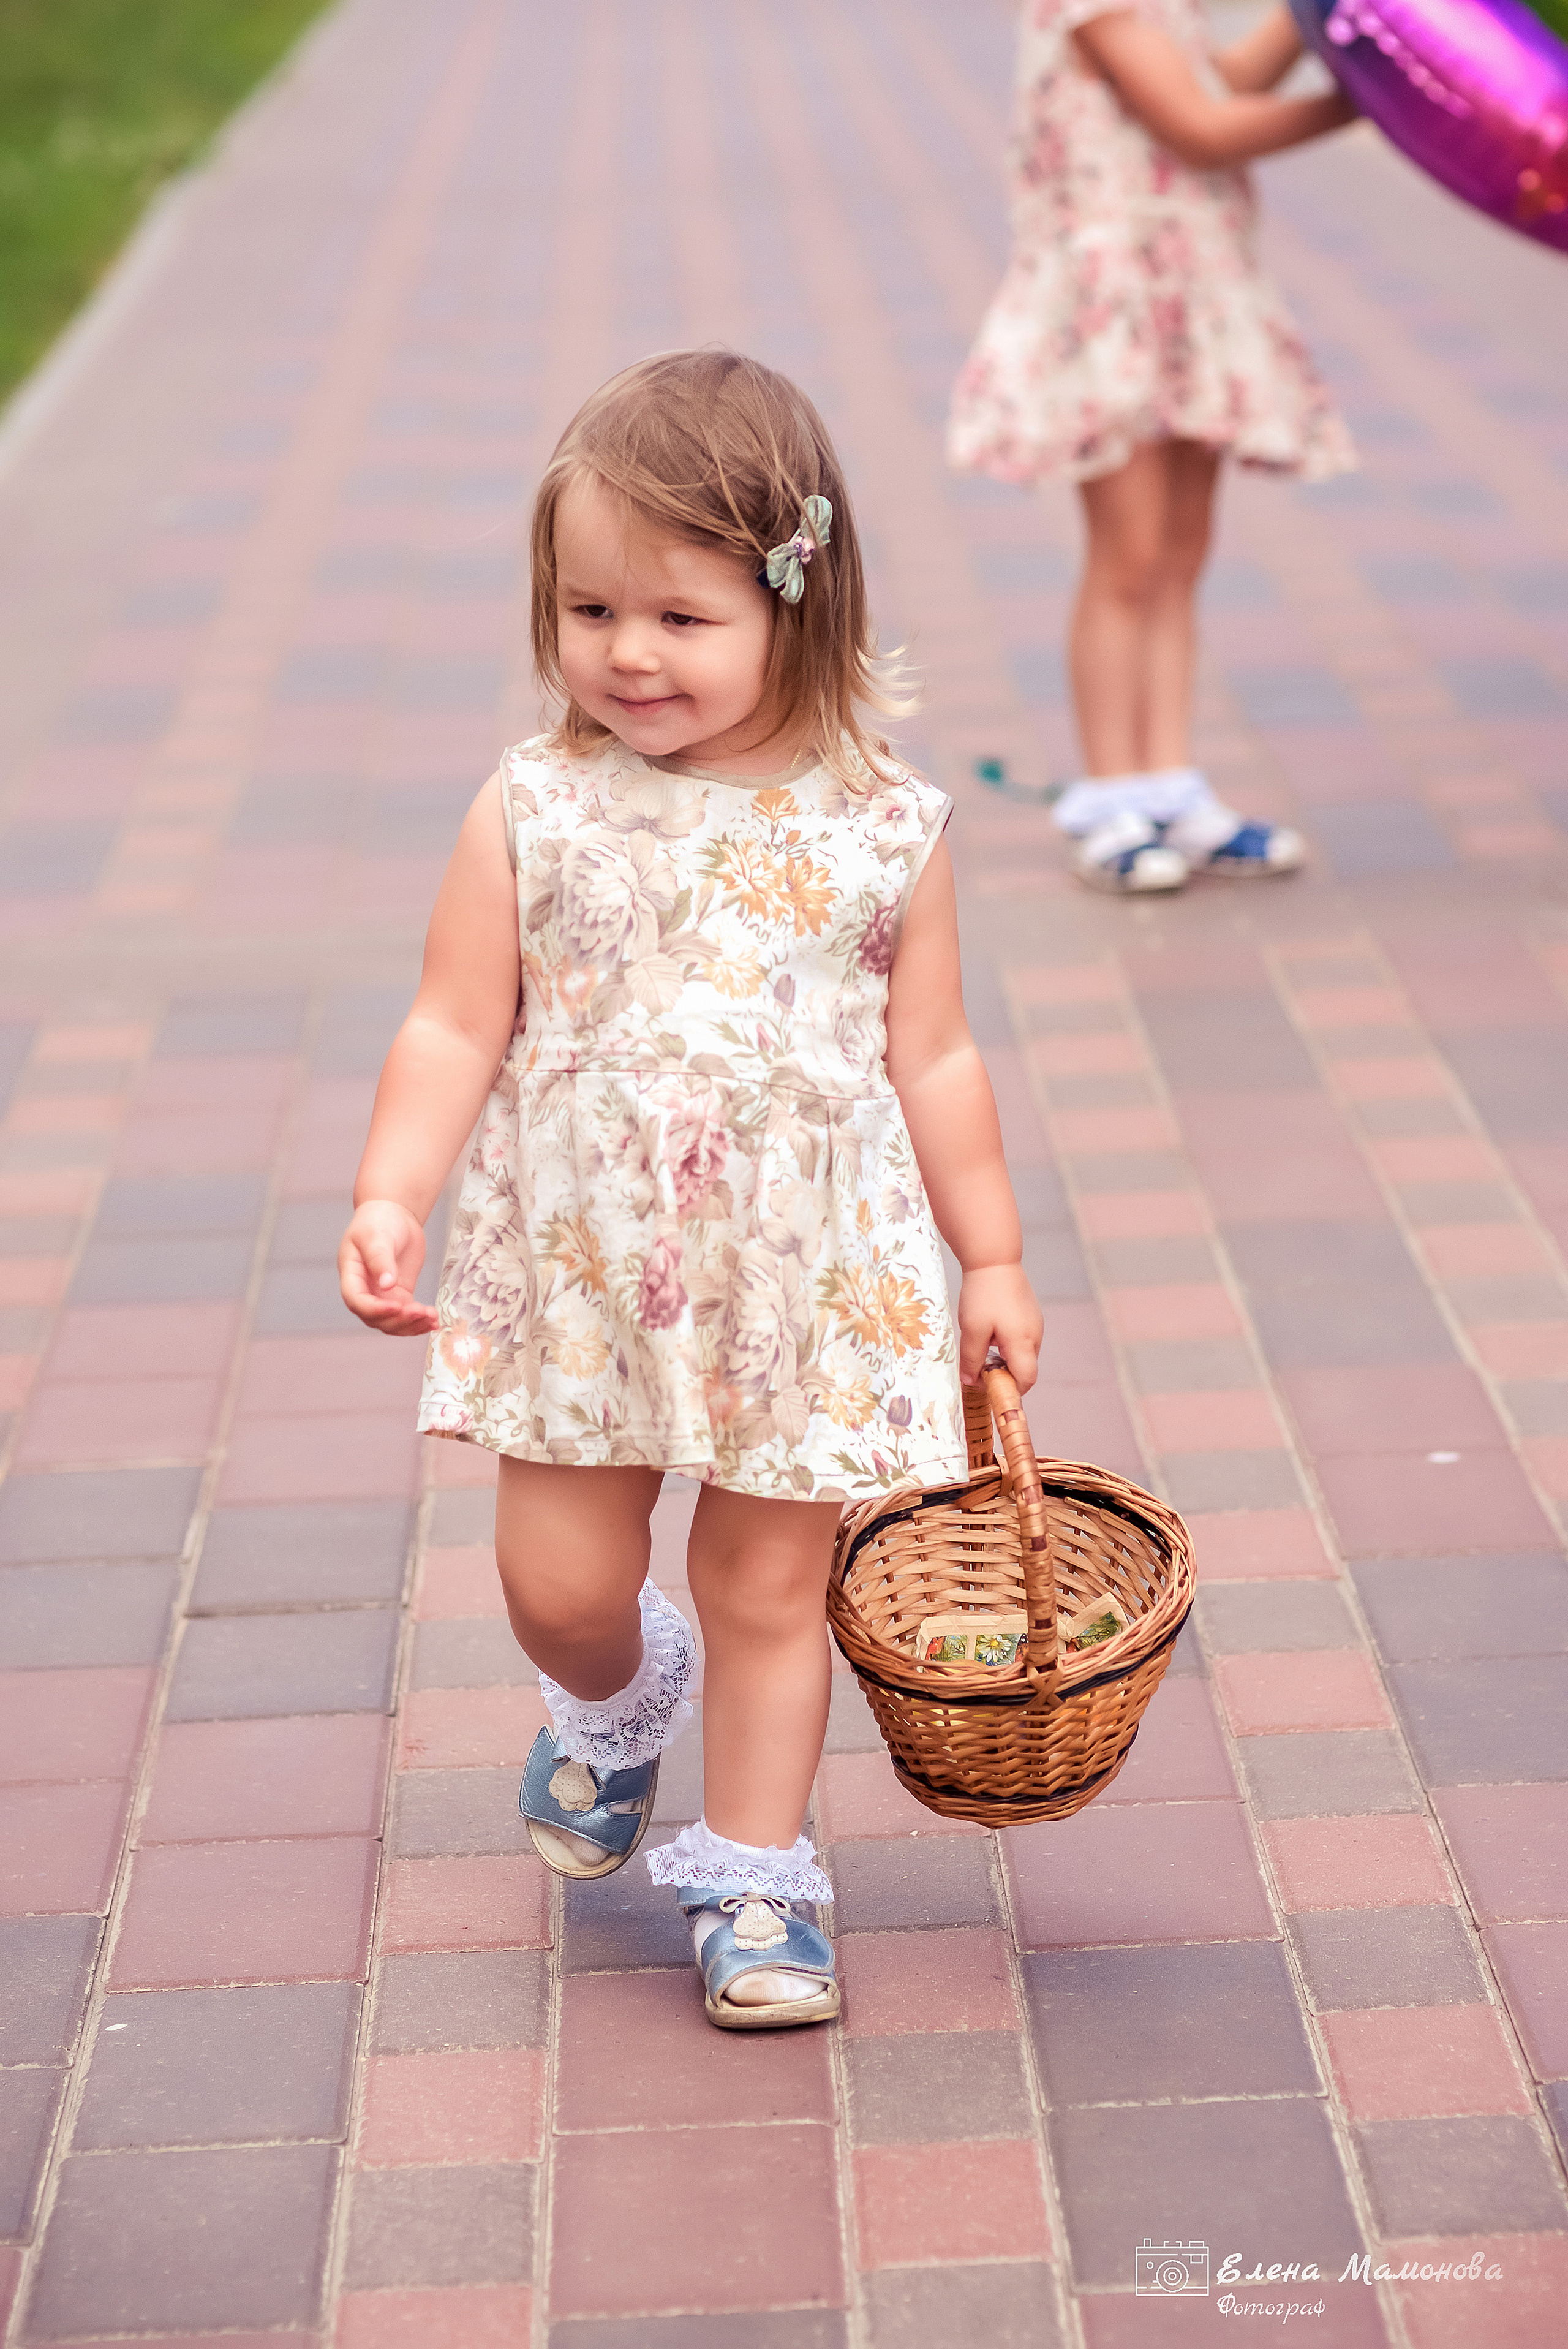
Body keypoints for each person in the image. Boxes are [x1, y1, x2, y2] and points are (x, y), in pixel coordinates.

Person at [339, 352, 1042, 2031]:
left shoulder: (886, 828)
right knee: (561, 1583)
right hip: (585, 1271)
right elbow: (455, 1017)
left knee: (767, 1587)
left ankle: (756, 1880)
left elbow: (934, 1058)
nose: (627, 654)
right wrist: (392, 1188)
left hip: (804, 1280)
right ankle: (615, 1699)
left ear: (796, 599)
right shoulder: (538, 806)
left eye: (679, 617)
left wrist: (992, 1256)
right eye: (590, 611)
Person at [950, 0, 1357, 893]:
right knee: (1128, 555)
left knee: (1180, 553)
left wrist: (1317, 16)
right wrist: (1361, 104)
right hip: (1121, 297)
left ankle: (1169, 786)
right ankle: (1110, 793)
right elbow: (1205, 128)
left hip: (1191, 280)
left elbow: (1227, 81)